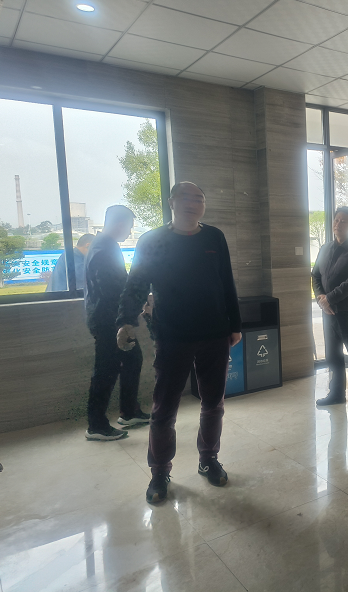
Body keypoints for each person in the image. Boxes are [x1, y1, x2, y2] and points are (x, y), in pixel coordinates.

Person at [116, 182, 242, 504]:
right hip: (172, 334)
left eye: (199, 198)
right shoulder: (152, 240)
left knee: (213, 403)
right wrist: (126, 321)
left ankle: (208, 459)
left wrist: (235, 325)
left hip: (215, 332)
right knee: (164, 408)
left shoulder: (214, 237)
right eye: (186, 197)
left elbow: (226, 281)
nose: (193, 203)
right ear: (172, 202)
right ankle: (159, 471)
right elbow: (136, 284)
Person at [83, 209, 148, 441]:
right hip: (108, 321)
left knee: (133, 359)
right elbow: (112, 290)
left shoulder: (104, 245)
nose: (129, 231)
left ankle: (129, 412)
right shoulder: (104, 248)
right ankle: (96, 426)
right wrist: (126, 318)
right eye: (129, 226)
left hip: (110, 318)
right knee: (105, 370)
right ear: (118, 223)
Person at [311, 207, 348, 415]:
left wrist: (329, 299)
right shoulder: (325, 248)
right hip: (328, 313)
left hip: (347, 313)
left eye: (343, 221)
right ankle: (336, 393)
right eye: (336, 220)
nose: (338, 224)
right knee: (333, 355)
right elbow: (315, 275)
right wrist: (321, 299)